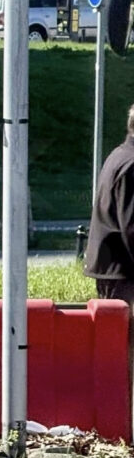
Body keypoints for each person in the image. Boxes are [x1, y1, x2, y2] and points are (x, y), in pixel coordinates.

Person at [85, 104, 134, 307]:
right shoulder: (131, 163)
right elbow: (132, 227)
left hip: (115, 269)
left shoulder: (120, 155)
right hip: (125, 274)